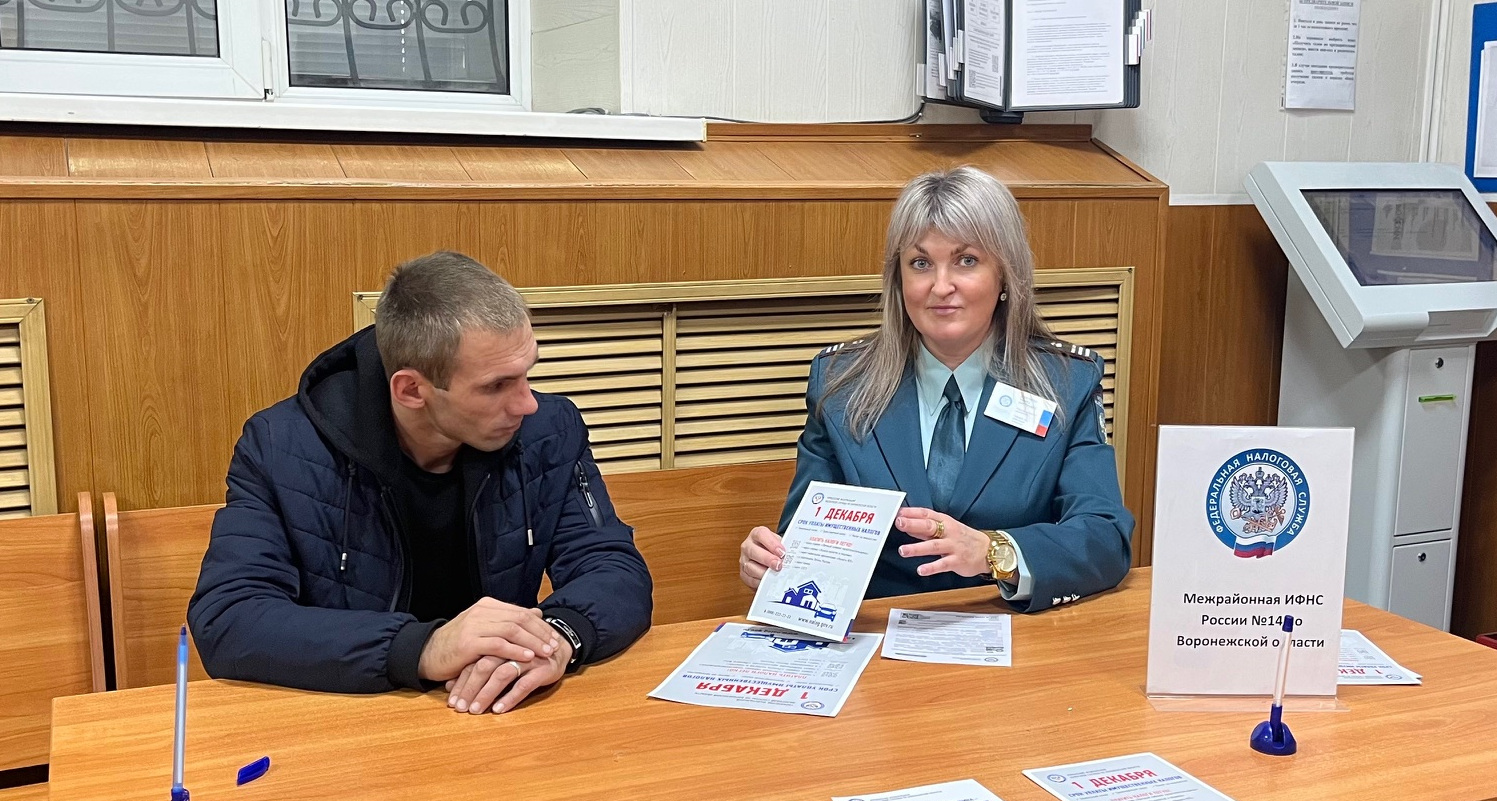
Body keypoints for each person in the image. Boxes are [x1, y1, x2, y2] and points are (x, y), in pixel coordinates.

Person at [189, 251, 652, 714]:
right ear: (411, 390)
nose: (526, 403)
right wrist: (423, 647)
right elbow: (229, 619)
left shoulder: (548, 430)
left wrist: (558, 637)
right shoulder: (281, 446)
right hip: (351, 715)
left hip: (498, 711)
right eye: (496, 386)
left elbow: (612, 567)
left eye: (527, 372)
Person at [739, 167, 1132, 612]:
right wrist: (772, 561)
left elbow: (1104, 537)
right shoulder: (842, 385)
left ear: (1006, 275)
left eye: (967, 261)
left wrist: (993, 551)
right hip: (879, 632)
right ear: (899, 278)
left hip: (1014, 627)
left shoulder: (1065, 382)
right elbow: (808, 543)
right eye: (921, 264)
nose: (941, 287)